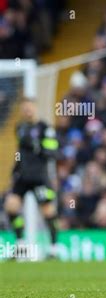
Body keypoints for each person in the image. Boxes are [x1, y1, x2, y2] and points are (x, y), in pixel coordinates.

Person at [4, 98, 59, 259]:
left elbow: (52, 153)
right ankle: (21, 245)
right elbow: (19, 153)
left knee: (48, 211)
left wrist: (36, 146)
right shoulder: (20, 128)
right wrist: (14, 172)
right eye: (24, 108)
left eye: (29, 108)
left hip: (39, 177)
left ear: (35, 108)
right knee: (11, 206)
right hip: (23, 176)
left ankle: (54, 248)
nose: (27, 111)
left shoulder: (45, 128)